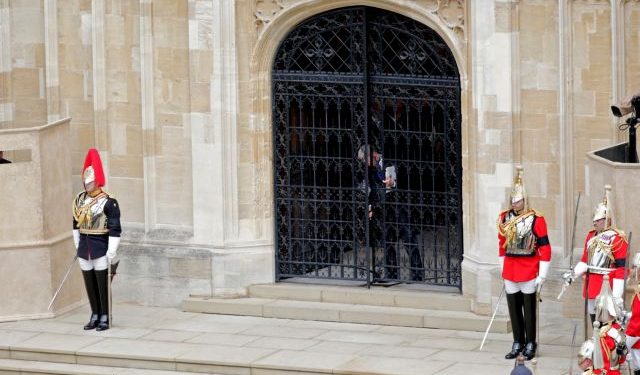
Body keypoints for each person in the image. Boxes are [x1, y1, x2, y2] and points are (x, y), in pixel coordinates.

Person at [497, 165, 551, 360]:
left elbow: (544, 247)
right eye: (512, 199)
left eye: (517, 200)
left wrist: (542, 273)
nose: (514, 203)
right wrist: (502, 267)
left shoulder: (536, 219)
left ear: (524, 200)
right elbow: (502, 243)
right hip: (511, 267)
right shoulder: (504, 217)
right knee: (513, 307)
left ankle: (530, 342)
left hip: (528, 267)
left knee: (528, 308)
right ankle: (517, 340)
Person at [72, 148, 121, 331]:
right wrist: (77, 244)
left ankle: (105, 316)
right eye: (86, 181)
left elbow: (115, 228)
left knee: (102, 283)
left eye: (90, 181)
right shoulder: (79, 199)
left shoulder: (109, 201)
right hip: (85, 245)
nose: (87, 184)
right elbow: (75, 223)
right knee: (89, 281)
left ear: (97, 180)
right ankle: (94, 313)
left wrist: (112, 250)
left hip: (100, 244)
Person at [564, 185, 627, 323]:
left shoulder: (617, 238)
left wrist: (617, 295)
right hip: (591, 282)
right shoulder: (591, 236)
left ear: (607, 219)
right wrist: (573, 273)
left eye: (598, 220)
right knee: (594, 319)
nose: (594, 222)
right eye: (594, 219)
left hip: (607, 284)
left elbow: (621, 268)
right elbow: (585, 260)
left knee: (606, 321)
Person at [576, 275, 627, 375]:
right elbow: (623, 358)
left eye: (599, 310)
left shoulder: (603, 334)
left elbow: (584, 363)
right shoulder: (618, 328)